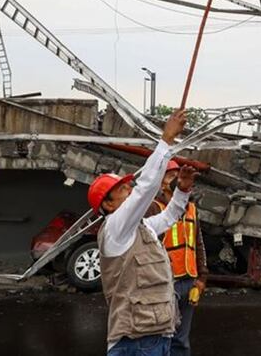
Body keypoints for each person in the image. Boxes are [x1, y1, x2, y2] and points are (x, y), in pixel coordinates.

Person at [87, 110, 198, 356]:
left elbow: (169, 217)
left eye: (128, 185)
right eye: (122, 189)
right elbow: (145, 188)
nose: (129, 189)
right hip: (136, 340)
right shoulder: (115, 228)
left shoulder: (141, 227)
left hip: (155, 333)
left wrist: (182, 192)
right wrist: (166, 140)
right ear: (108, 205)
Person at [155, 159, 209, 356]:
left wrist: (201, 278)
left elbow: (198, 243)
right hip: (163, 284)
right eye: (171, 176)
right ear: (161, 182)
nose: (177, 179)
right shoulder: (154, 209)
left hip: (188, 281)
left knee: (180, 341)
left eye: (179, 175)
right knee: (160, 338)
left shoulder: (192, 208)